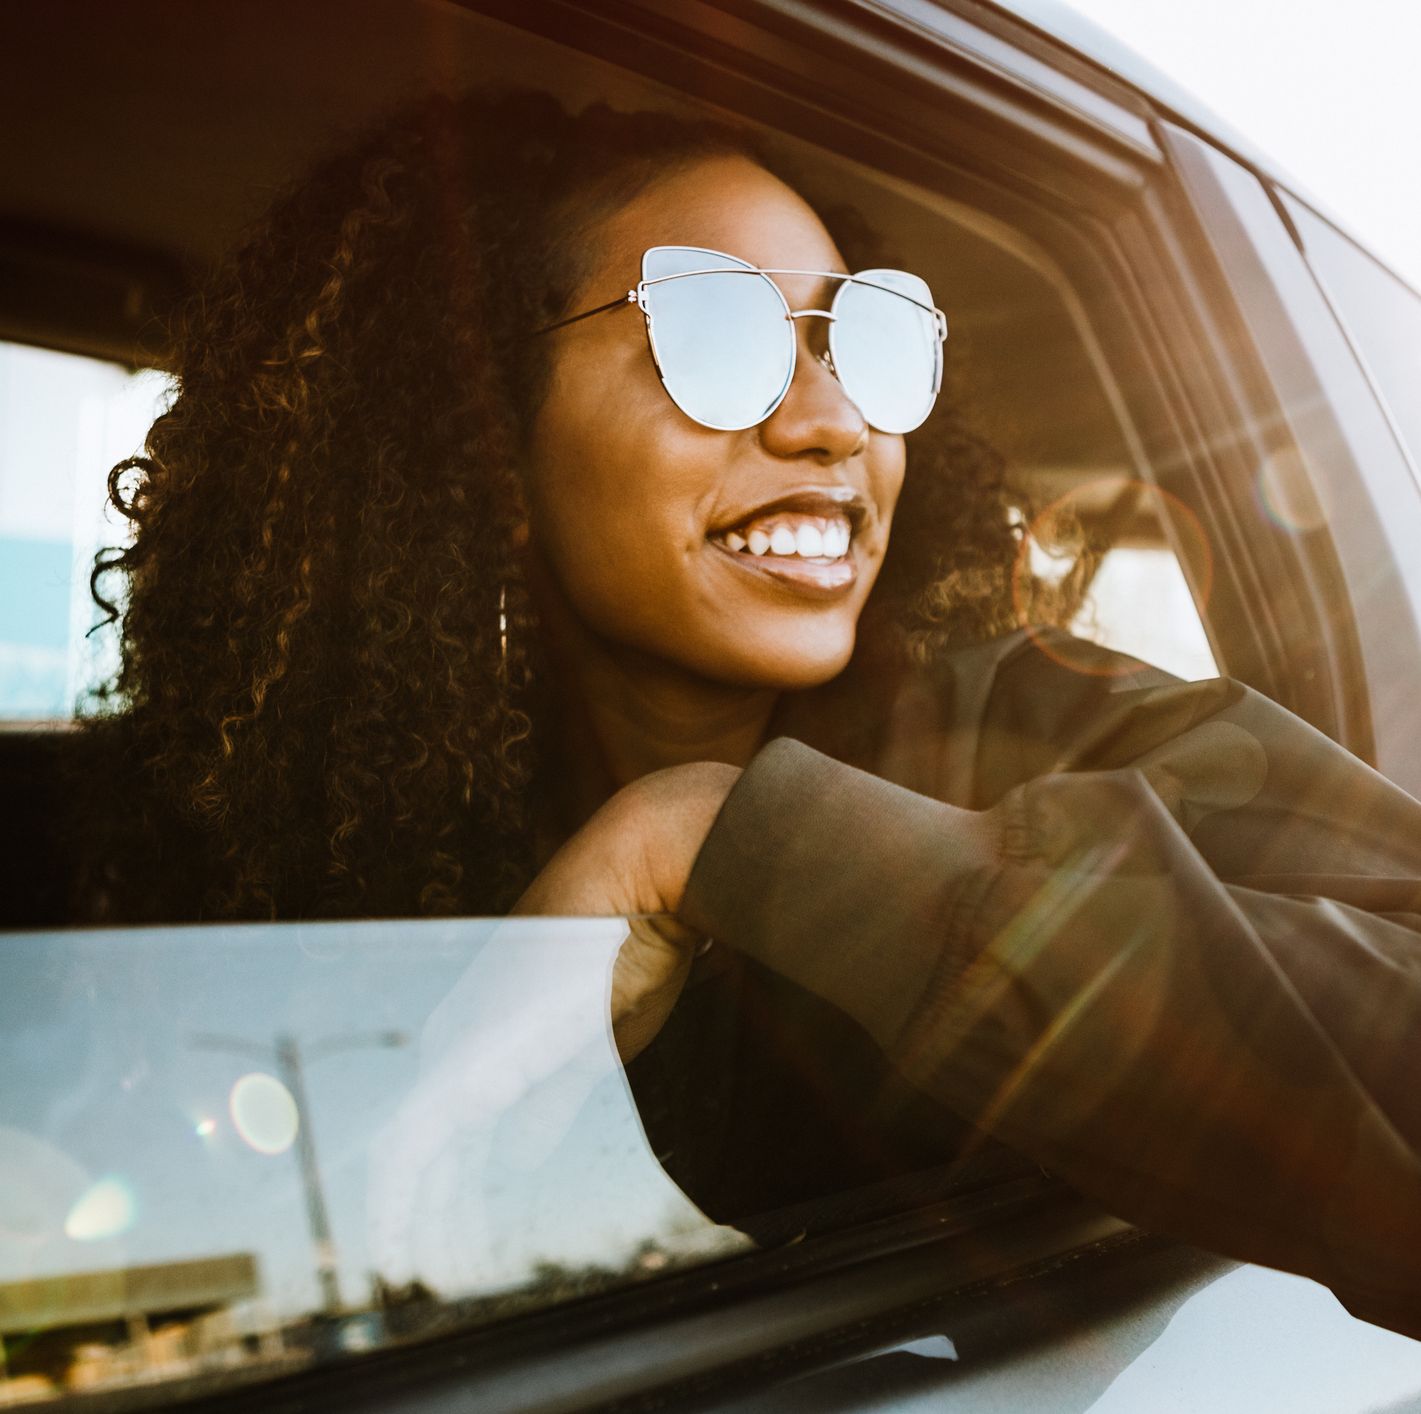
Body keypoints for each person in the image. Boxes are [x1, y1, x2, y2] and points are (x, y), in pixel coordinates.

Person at [42, 91, 1421, 1337]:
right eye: (716, 333)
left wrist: (717, 838)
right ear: (486, 439)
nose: (828, 421)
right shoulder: (294, 842)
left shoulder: (1040, 728)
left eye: (859, 337)